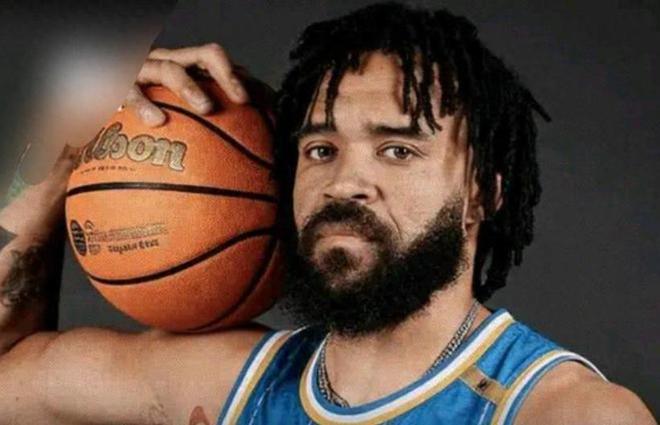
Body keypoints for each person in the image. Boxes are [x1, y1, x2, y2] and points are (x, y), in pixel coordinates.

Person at [0, 3, 655, 425]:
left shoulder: (561, 412)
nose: (345, 182)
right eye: (321, 148)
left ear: (483, 194)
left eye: (398, 149)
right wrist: (65, 138)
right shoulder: (229, 381)